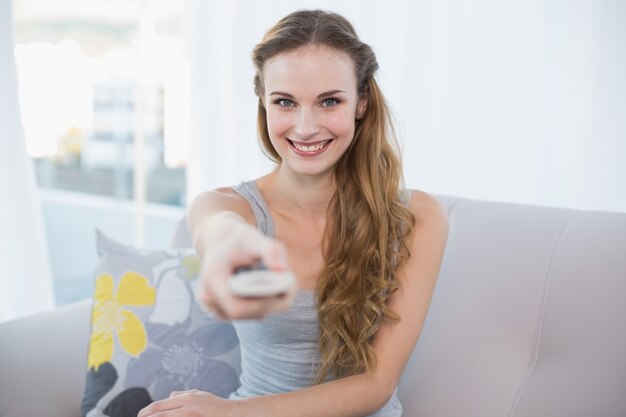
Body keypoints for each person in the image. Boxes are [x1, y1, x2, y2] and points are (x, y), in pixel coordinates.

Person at [139, 9, 448, 417]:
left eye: (329, 102)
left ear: (361, 104)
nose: (305, 128)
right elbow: (217, 230)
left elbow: (376, 384)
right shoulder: (227, 207)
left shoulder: (418, 217)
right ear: (264, 104)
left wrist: (232, 414)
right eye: (285, 102)